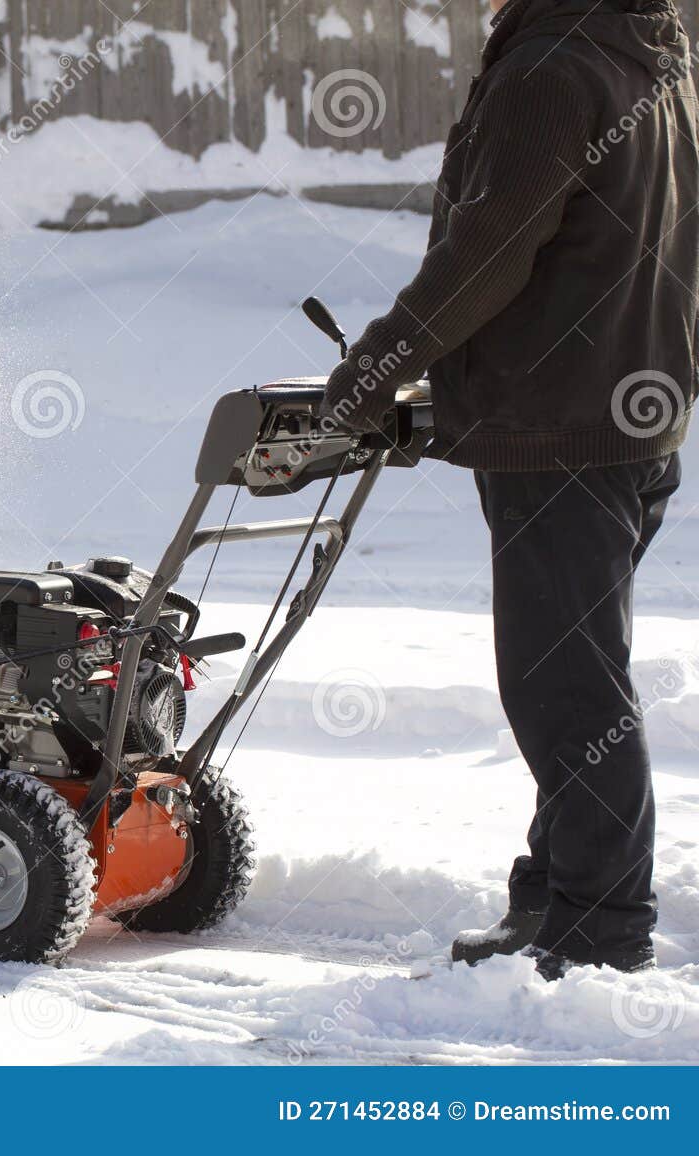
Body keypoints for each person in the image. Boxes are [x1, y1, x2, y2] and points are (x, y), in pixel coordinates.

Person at [321, 0, 698, 977]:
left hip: (561, 430)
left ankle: (598, 924)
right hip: (627, 420)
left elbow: (488, 249)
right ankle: (554, 896)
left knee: (565, 689)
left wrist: (377, 366)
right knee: (568, 680)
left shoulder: (550, 70)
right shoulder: (647, 51)